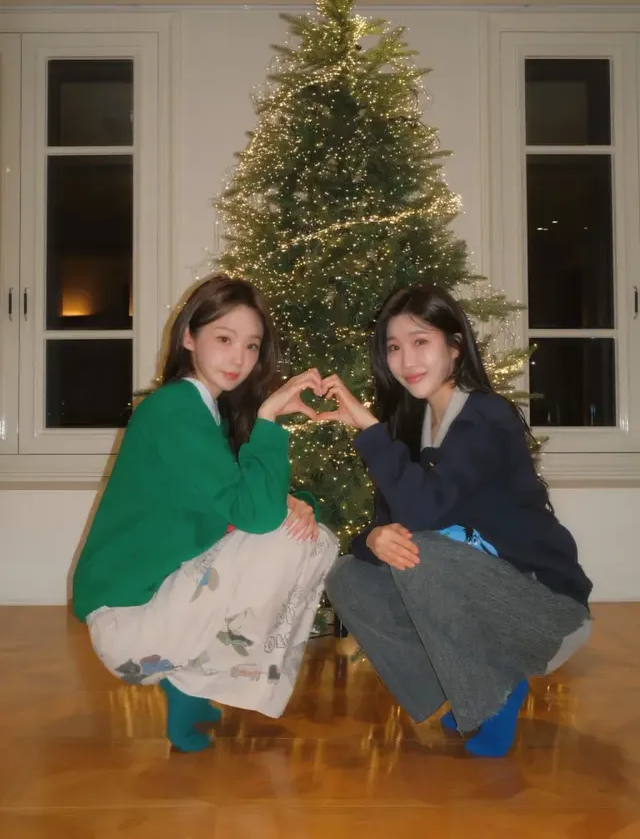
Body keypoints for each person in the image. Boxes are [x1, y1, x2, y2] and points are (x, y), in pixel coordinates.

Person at [321, 284, 592, 758]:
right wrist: (374, 538)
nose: (406, 360)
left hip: (543, 609)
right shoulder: (411, 428)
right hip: (473, 596)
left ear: (455, 346)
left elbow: (424, 512)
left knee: (424, 553)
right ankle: (463, 689)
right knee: (349, 575)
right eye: (394, 347)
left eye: (420, 341)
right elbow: (393, 525)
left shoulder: (485, 417)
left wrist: (368, 429)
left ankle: (496, 691)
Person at [72, 274, 339, 752]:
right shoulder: (174, 409)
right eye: (224, 339)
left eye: (252, 346)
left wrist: (297, 503)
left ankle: (193, 683)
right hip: (130, 628)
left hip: (154, 611)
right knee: (296, 539)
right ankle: (190, 681)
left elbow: (240, 506)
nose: (240, 358)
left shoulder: (204, 413)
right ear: (189, 338)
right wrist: (269, 419)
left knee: (310, 537)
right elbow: (256, 516)